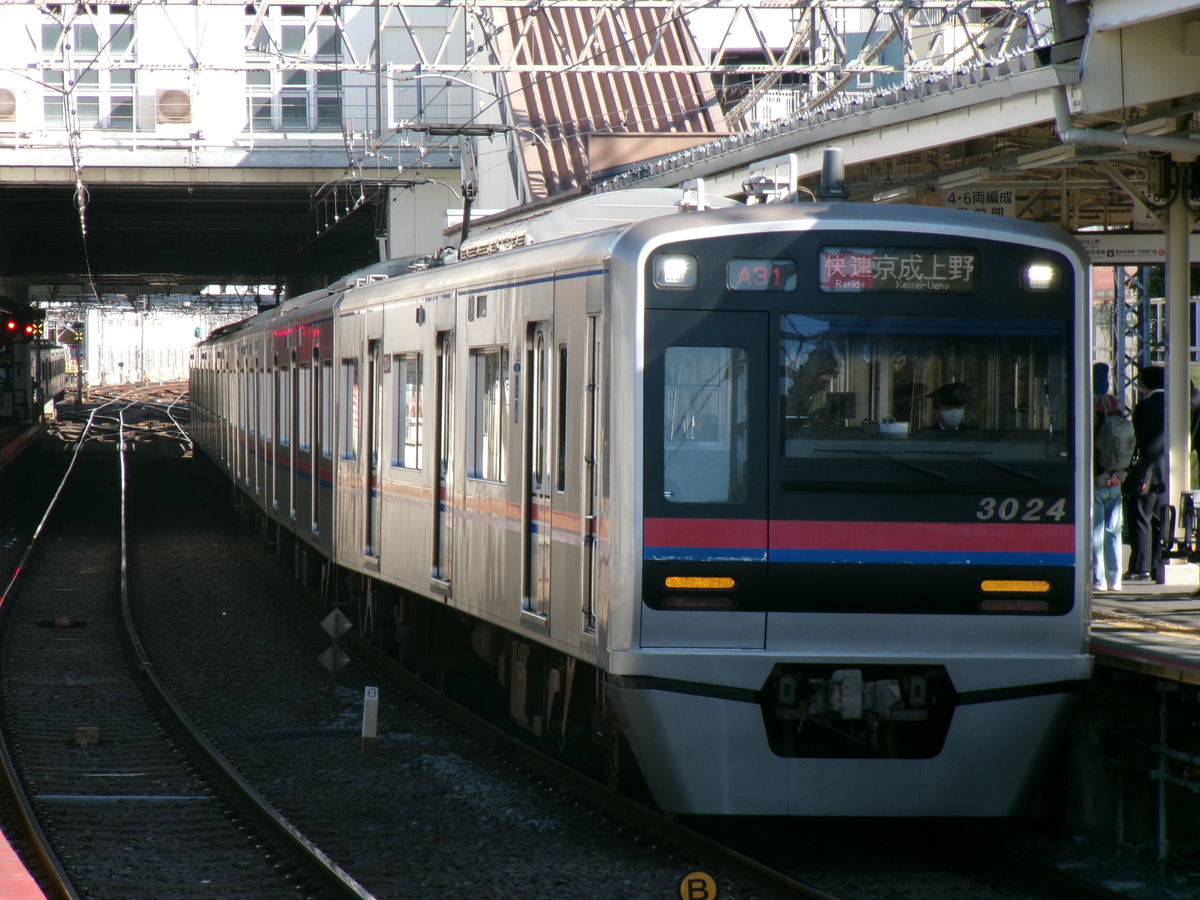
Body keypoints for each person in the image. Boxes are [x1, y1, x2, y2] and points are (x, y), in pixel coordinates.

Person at [1126, 365, 1168, 583]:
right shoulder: (1175, 405)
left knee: (1141, 516)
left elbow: (1137, 439)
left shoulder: (1145, 407)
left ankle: (1140, 567)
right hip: (1170, 468)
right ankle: (1157, 565)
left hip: (1148, 470)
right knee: (1161, 519)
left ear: (1144, 385)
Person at [1093, 394, 1128, 591]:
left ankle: (1099, 580)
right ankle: (1115, 580)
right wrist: (1119, 475)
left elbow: (1091, 453)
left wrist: (1099, 476)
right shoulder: (1124, 424)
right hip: (1116, 483)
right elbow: (1130, 452)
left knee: (1096, 533)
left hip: (1098, 483)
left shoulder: (1094, 425)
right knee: (1114, 532)